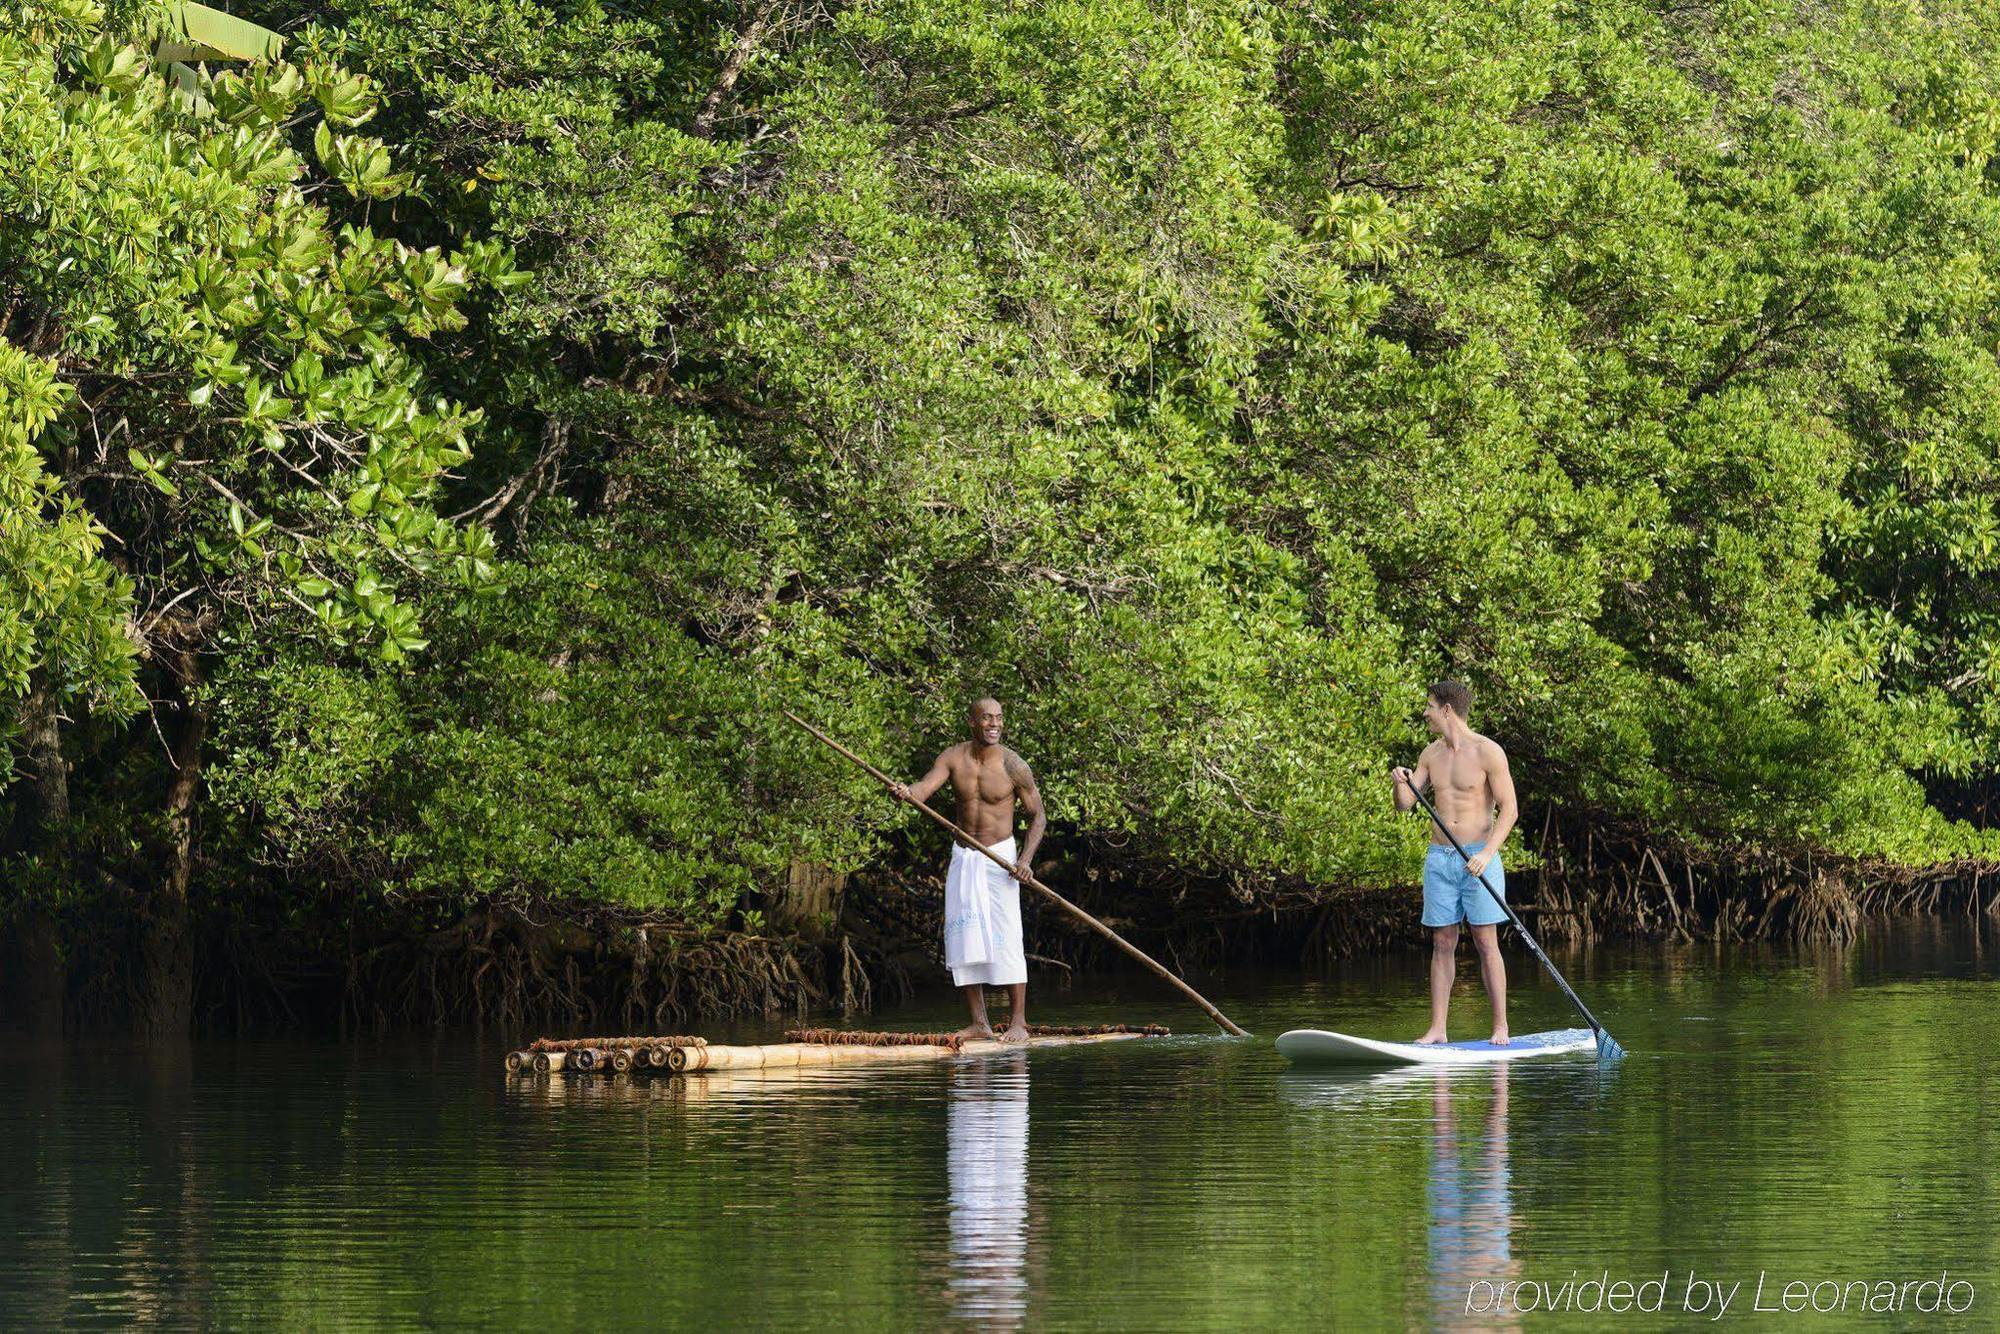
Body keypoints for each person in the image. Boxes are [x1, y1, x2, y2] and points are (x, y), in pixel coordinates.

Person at [892, 697, 1046, 1042]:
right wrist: (907, 792)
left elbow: (1038, 816)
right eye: (987, 718)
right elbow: (924, 789)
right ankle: (979, 1023)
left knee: (1006, 936)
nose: (994, 724)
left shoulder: (1014, 765)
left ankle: (1018, 1022)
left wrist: (1025, 861)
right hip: (964, 855)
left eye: (999, 718)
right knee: (964, 937)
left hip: (1001, 860)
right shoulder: (953, 757)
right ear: (972, 722)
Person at [1390, 680, 1518, 1046]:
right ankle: (1438, 1030)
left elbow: (1510, 809)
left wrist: (1487, 852)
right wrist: (1401, 782)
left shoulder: (1488, 752)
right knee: (1442, 941)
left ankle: (1500, 1027)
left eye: (1429, 706)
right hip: (1440, 860)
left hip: (1479, 858)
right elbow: (1406, 804)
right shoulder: (1430, 754)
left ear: (1446, 709)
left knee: (1485, 940)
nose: (1426, 713)